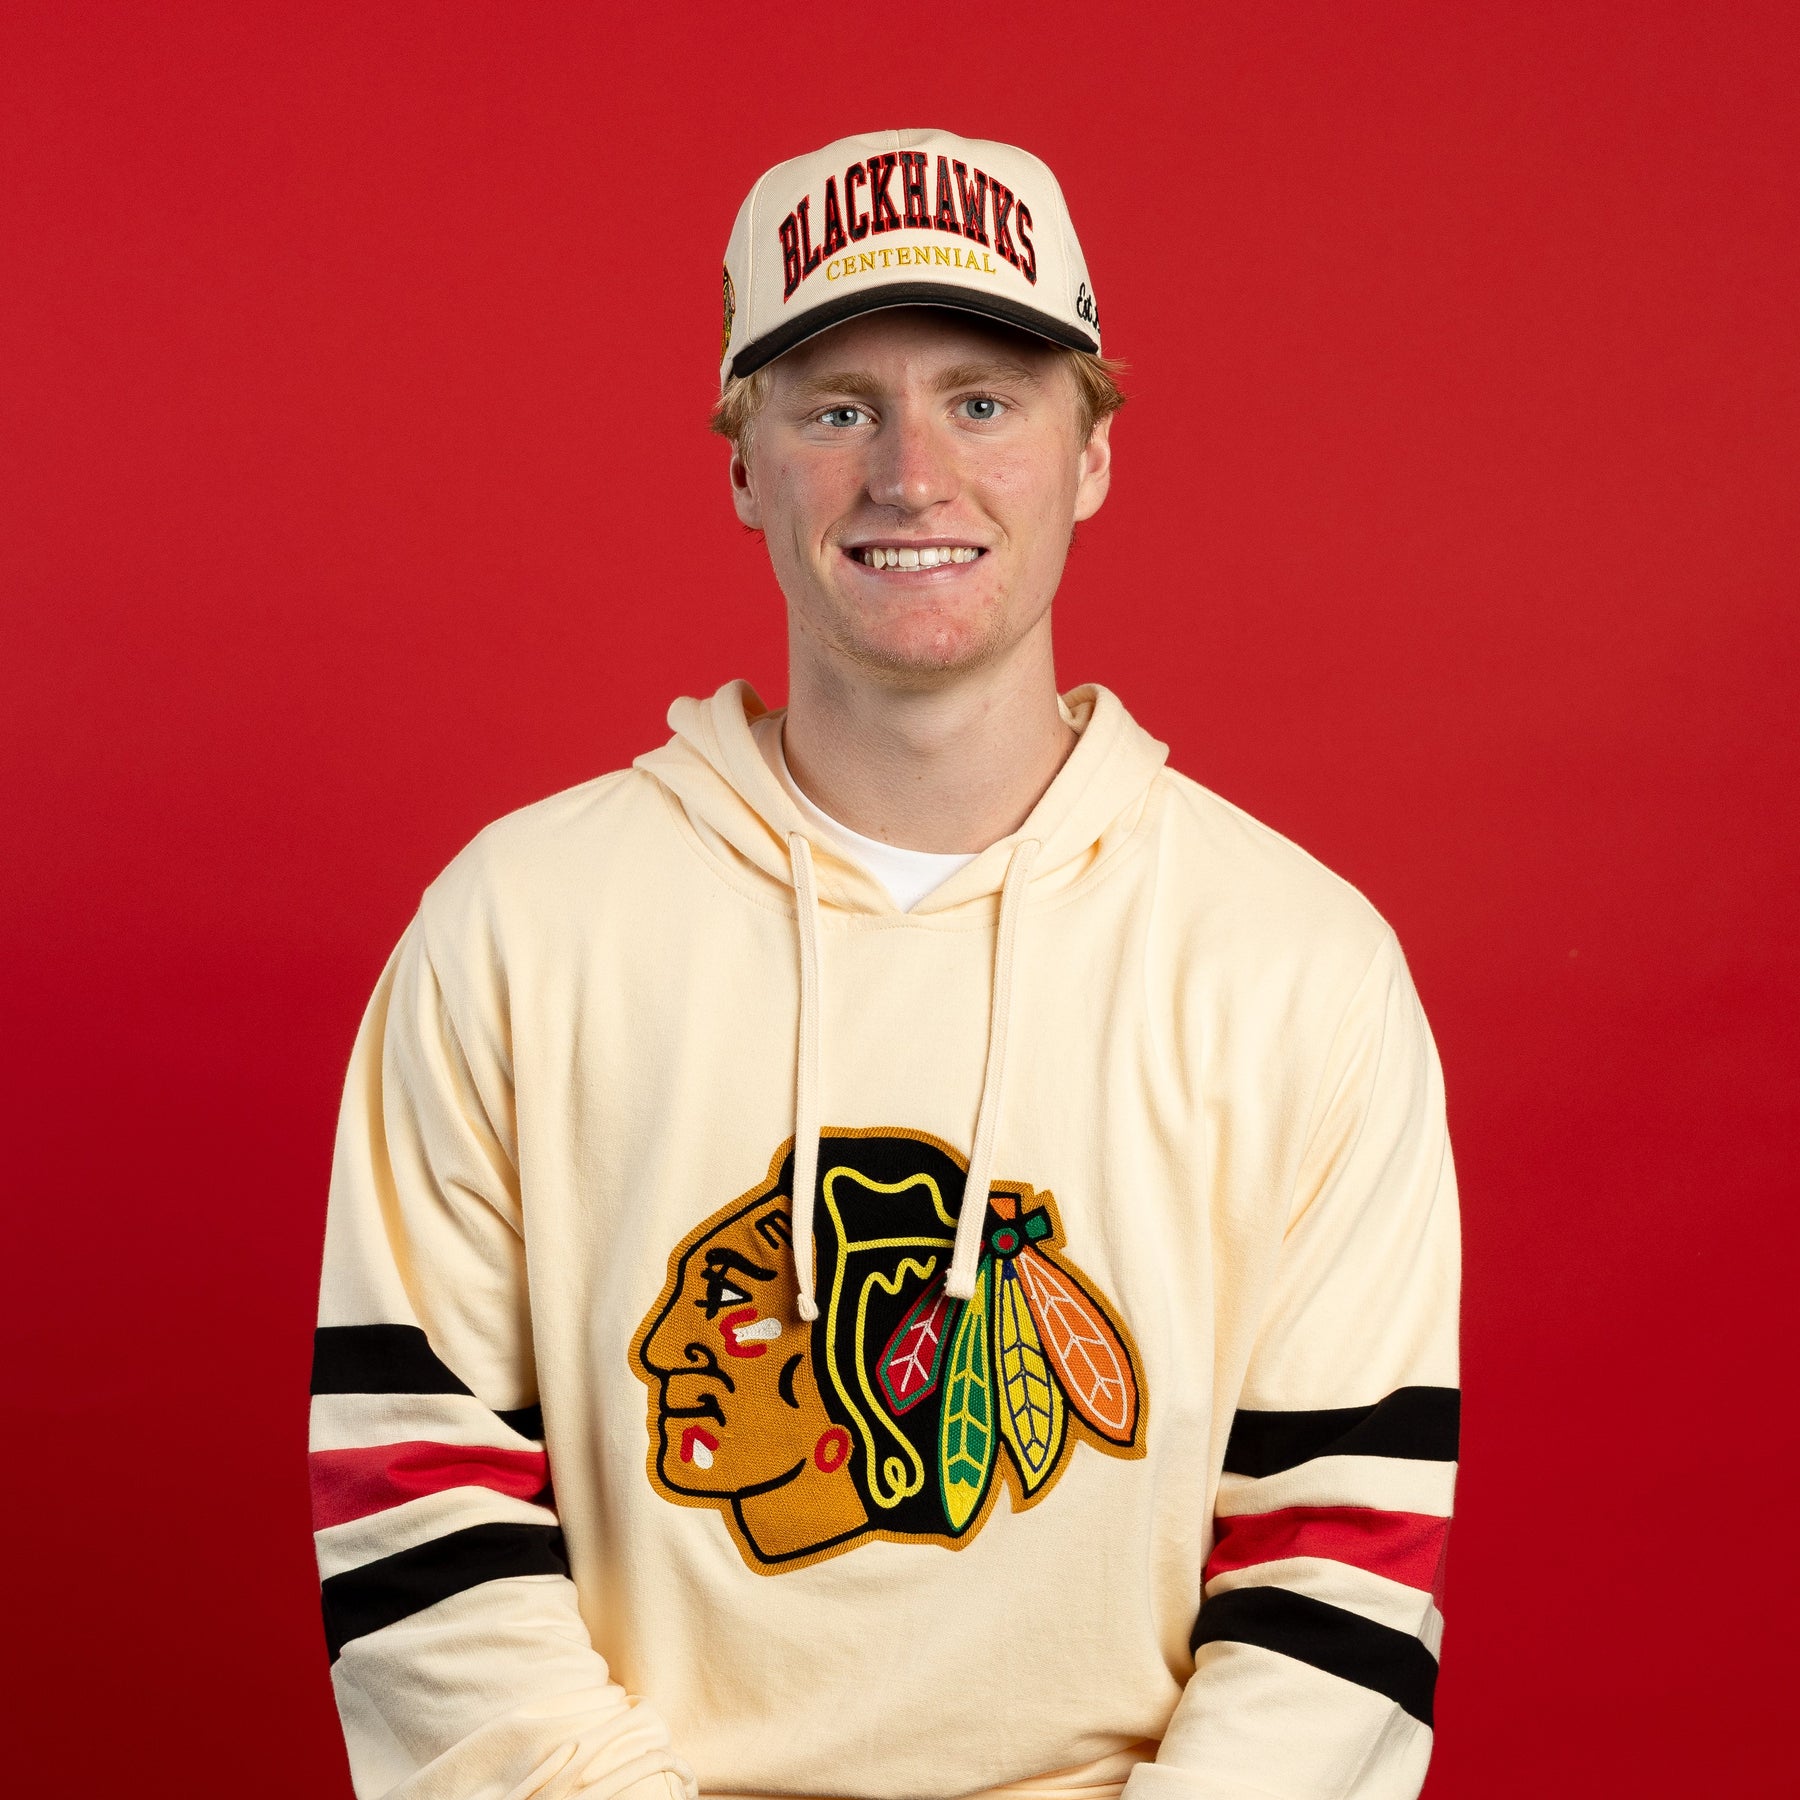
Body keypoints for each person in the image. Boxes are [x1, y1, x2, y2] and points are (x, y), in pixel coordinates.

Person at [309, 128, 1460, 1800]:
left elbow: (1338, 1561)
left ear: (1092, 454)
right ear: (742, 466)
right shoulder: (517, 929)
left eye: (982, 402)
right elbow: (412, 1496)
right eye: (837, 409)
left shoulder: (1300, 968)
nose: (912, 474)